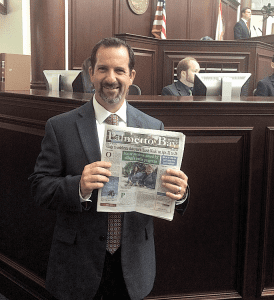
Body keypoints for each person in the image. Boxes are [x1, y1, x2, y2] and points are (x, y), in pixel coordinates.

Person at [29, 37, 189, 300]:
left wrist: (180, 192)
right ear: (91, 73)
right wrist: (78, 186)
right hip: (78, 262)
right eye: (103, 69)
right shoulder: (60, 126)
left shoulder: (154, 127)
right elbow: (39, 187)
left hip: (133, 263)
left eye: (119, 70)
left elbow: (169, 194)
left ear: (131, 75)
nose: (110, 78)